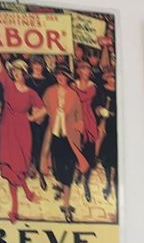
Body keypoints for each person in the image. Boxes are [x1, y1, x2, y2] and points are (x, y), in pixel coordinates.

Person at [0, 30, 45, 223]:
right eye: (14, 71)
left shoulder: (31, 92)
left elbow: (44, 109)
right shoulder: (8, 85)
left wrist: (33, 117)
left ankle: (27, 193)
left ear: (24, 73)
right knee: (10, 167)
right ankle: (16, 206)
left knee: (20, 165)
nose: (15, 73)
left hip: (22, 130)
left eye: (19, 71)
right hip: (7, 128)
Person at [41, 64, 85, 223]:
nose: (60, 77)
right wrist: (34, 117)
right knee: (57, 167)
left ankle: (66, 205)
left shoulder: (73, 95)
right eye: (58, 74)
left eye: (63, 75)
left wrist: (78, 139)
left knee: (68, 171)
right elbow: (43, 109)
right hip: (54, 135)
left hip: (70, 138)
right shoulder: (50, 92)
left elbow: (79, 118)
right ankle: (59, 185)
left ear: (68, 77)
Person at [73, 59, 98, 203]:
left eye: (88, 69)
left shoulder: (92, 86)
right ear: (78, 71)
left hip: (88, 120)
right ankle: (78, 172)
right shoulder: (74, 84)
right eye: (83, 69)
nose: (86, 72)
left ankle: (86, 183)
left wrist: (74, 89)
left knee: (88, 152)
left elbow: (83, 97)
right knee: (77, 150)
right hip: (76, 118)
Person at [27, 55, 53, 190]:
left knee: (42, 142)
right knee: (30, 141)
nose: (37, 67)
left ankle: (41, 171)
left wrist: (41, 113)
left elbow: (50, 99)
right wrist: (31, 112)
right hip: (29, 115)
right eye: (35, 64)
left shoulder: (48, 81)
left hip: (44, 115)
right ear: (31, 65)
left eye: (40, 64)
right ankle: (32, 165)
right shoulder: (26, 80)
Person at [95, 68, 117, 201]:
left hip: (117, 127)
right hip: (104, 128)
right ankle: (108, 183)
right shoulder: (101, 90)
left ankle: (117, 184)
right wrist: (100, 110)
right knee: (107, 159)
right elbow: (96, 105)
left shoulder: (121, 90)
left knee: (117, 159)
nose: (112, 80)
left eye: (114, 77)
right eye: (109, 77)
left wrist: (112, 114)